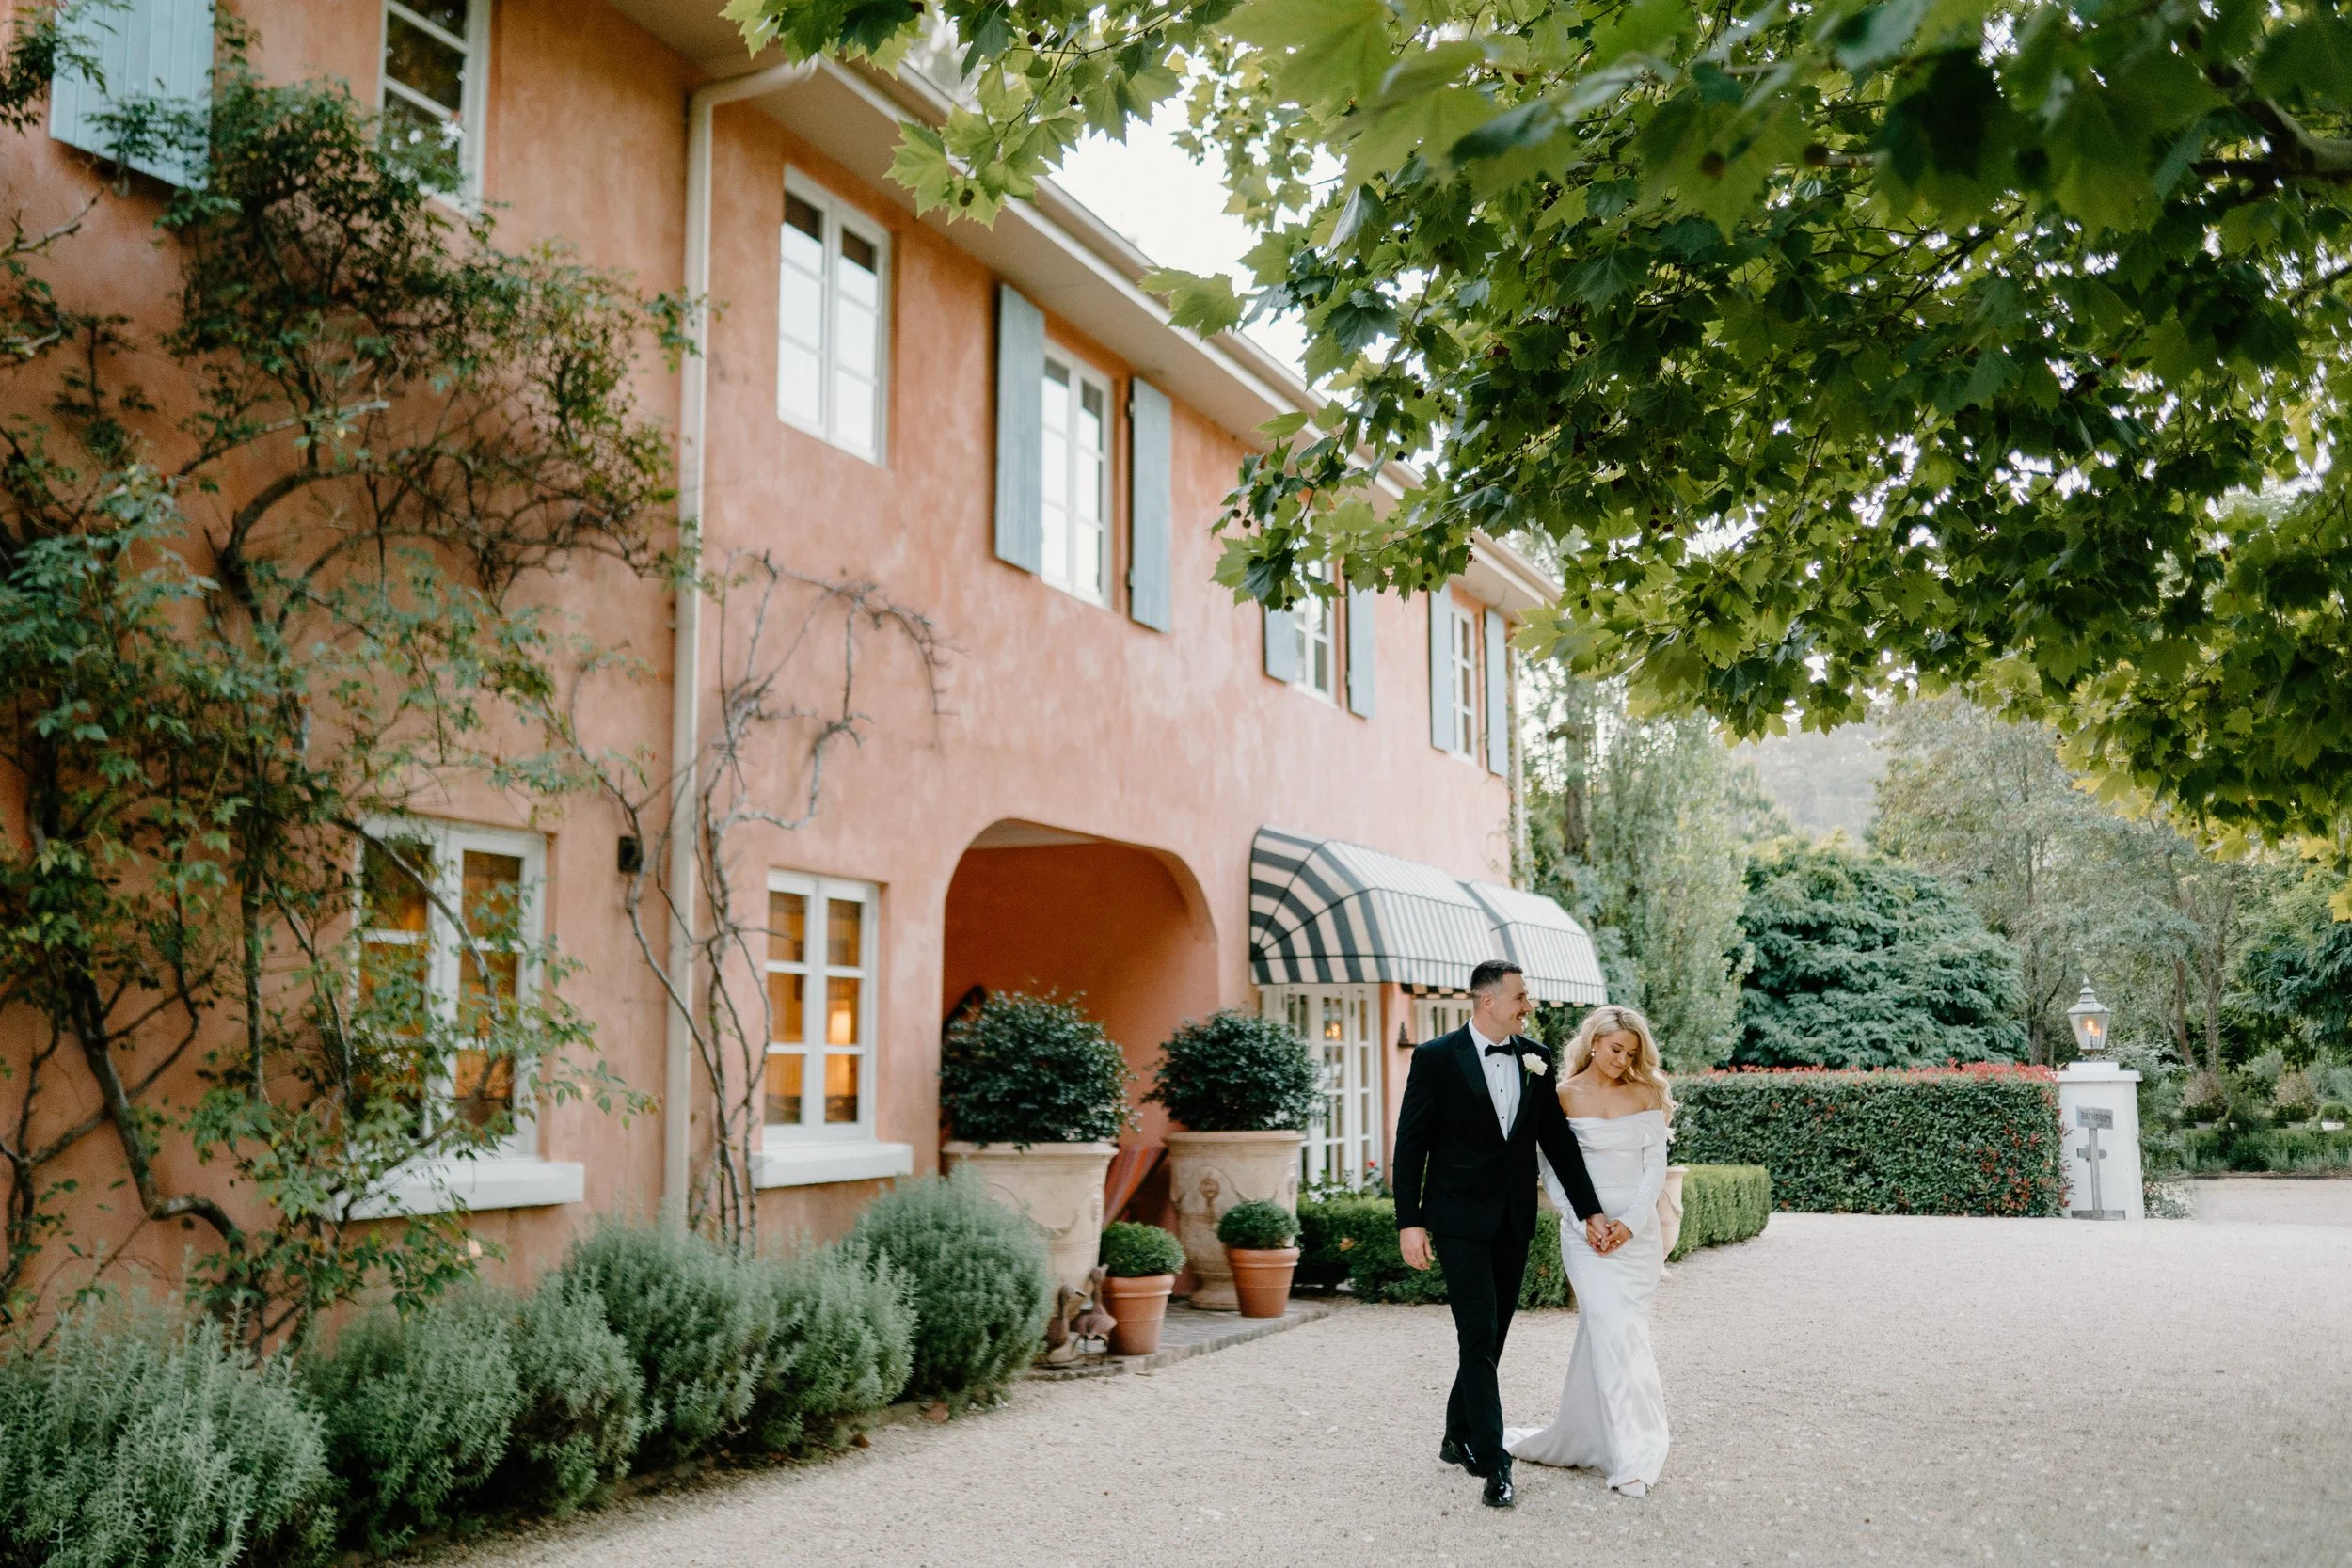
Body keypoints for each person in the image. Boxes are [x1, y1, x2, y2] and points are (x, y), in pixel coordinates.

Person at [1391, 959, 1621, 1510]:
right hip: (1457, 1222)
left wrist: (1590, 1211)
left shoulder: (1536, 1059)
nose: (1529, 1005)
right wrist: (1409, 1221)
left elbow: (1558, 1144)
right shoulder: (1435, 1058)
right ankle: (1494, 1463)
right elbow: (1410, 1145)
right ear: (1487, 1000)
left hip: (1513, 1220)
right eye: (1520, 996)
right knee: (1477, 1333)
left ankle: (1455, 1435)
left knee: (1490, 1339)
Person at [1505, 1003, 1675, 1497]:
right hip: (1585, 1239)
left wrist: (1630, 1224)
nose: (1622, 1060)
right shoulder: (1561, 1096)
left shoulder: (1646, 1093)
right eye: (1615, 1049)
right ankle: (1633, 1452)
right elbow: (1552, 1168)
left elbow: (1654, 1171)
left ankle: (1603, 1437)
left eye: (1631, 1053)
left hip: (1637, 1239)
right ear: (1594, 1042)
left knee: (1618, 1333)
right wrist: (1584, 1223)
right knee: (1610, 1326)